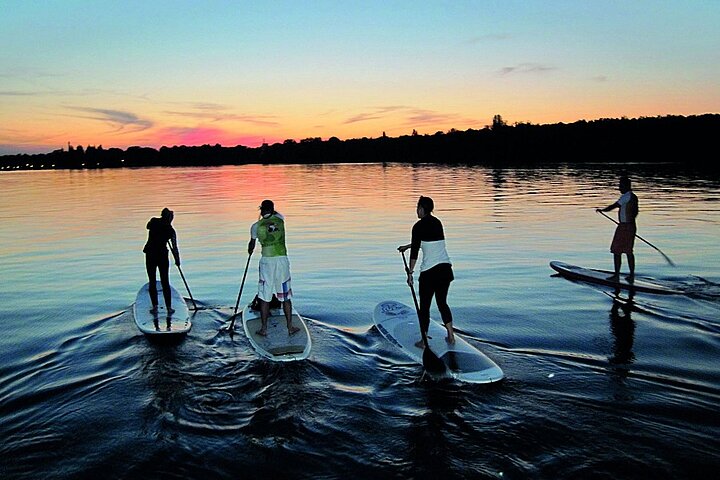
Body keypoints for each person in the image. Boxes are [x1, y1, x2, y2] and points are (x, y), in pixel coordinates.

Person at [398, 196, 455, 347]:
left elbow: (416, 251)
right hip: (445, 269)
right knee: (442, 303)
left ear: (422, 209)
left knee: (424, 308)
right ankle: (450, 336)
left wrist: (410, 273)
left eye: (417, 207)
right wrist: (407, 246)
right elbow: (429, 242)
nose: (416, 210)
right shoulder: (437, 223)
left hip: (430, 273)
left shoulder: (417, 227)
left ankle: (424, 341)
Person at [248, 199, 299, 336]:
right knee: (285, 296)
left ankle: (264, 329)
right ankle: (290, 327)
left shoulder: (255, 226)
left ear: (261, 209)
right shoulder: (280, 219)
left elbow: (251, 245)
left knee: (265, 297)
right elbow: (275, 213)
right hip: (282, 261)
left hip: (267, 262)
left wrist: (250, 250)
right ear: (273, 209)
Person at [596, 175, 639, 281]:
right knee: (628, 251)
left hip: (624, 227)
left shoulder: (626, 196)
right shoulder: (634, 197)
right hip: (631, 226)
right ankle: (631, 275)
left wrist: (602, 210)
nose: (619, 188)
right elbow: (636, 212)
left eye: (620, 185)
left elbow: (614, 206)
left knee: (616, 250)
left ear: (626, 186)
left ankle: (616, 275)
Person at [143, 207, 180, 314]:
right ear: (169, 218)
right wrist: (177, 260)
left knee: (152, 281)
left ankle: (155, 307)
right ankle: (168, 308)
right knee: (165, 281)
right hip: (161, 256)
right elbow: (174, 247)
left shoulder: (154, 221)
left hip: (151, 254)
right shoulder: (170, 230)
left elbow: (148, 226)